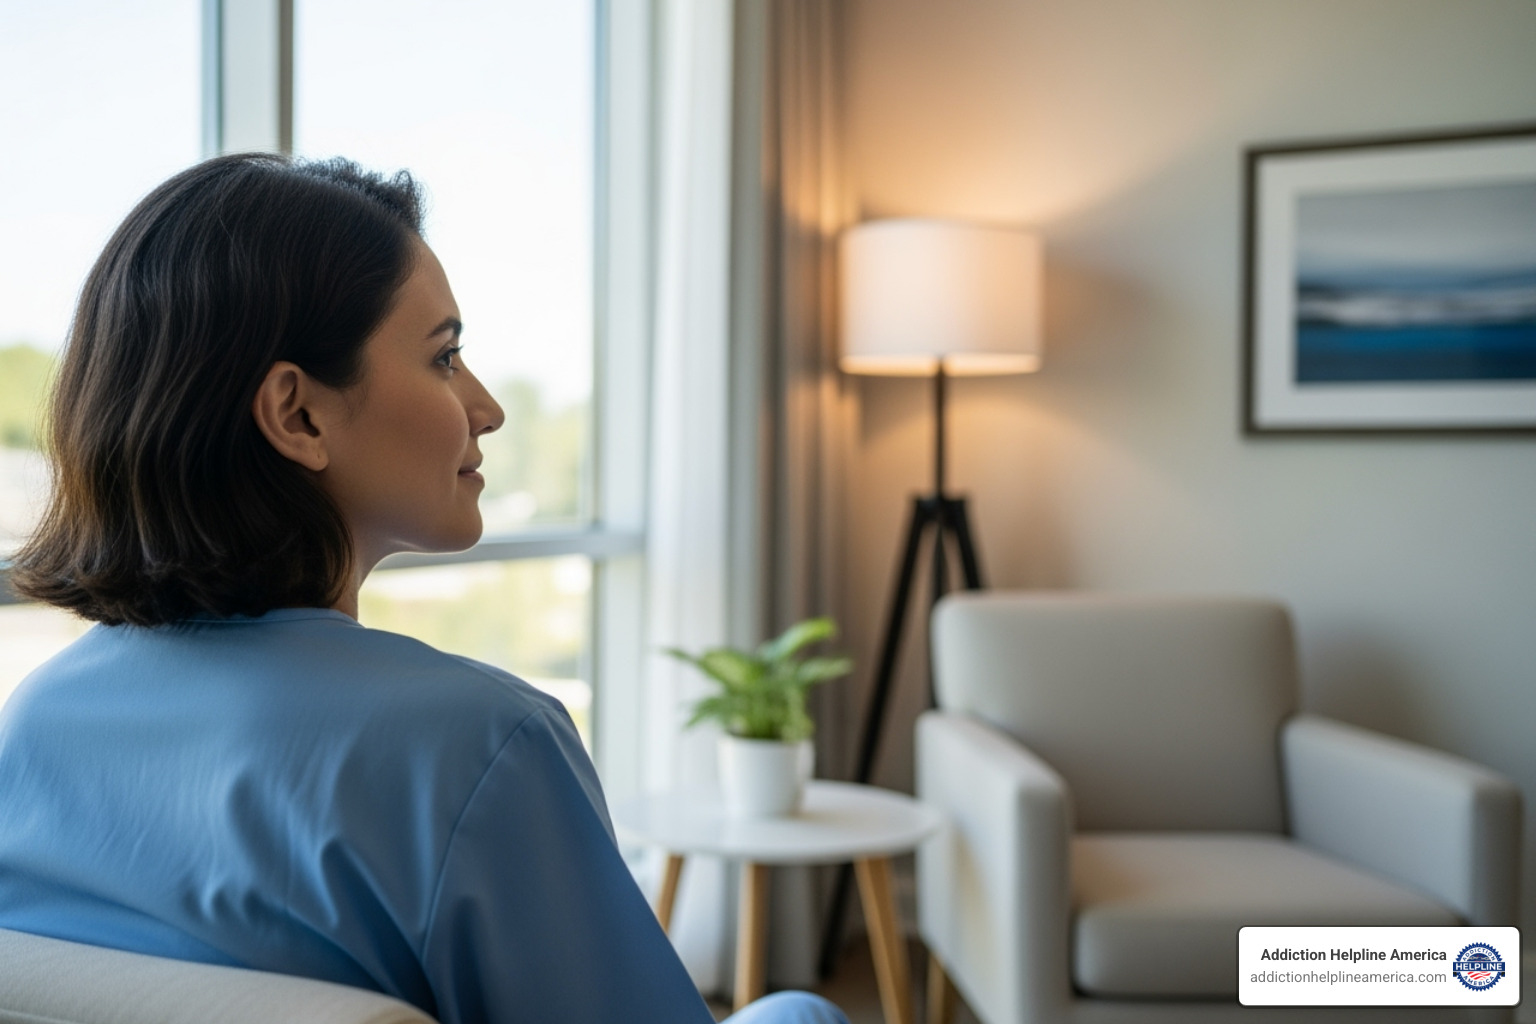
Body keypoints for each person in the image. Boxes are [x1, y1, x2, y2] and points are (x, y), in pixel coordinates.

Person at [0, 154, 847, 1024]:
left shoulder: (35, 721)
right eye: (446, 357)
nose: (487, 407)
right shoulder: (477, 746)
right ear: (298, 415)